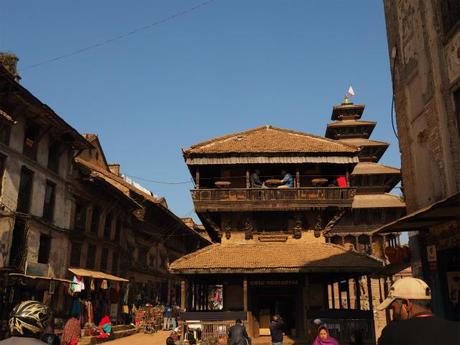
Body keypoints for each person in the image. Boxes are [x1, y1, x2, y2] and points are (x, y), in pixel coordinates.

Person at [377, 277, 460, 345]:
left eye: (393, 308)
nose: (393, 315)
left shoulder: (392, 333)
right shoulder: (456, 329)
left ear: (406, 304)